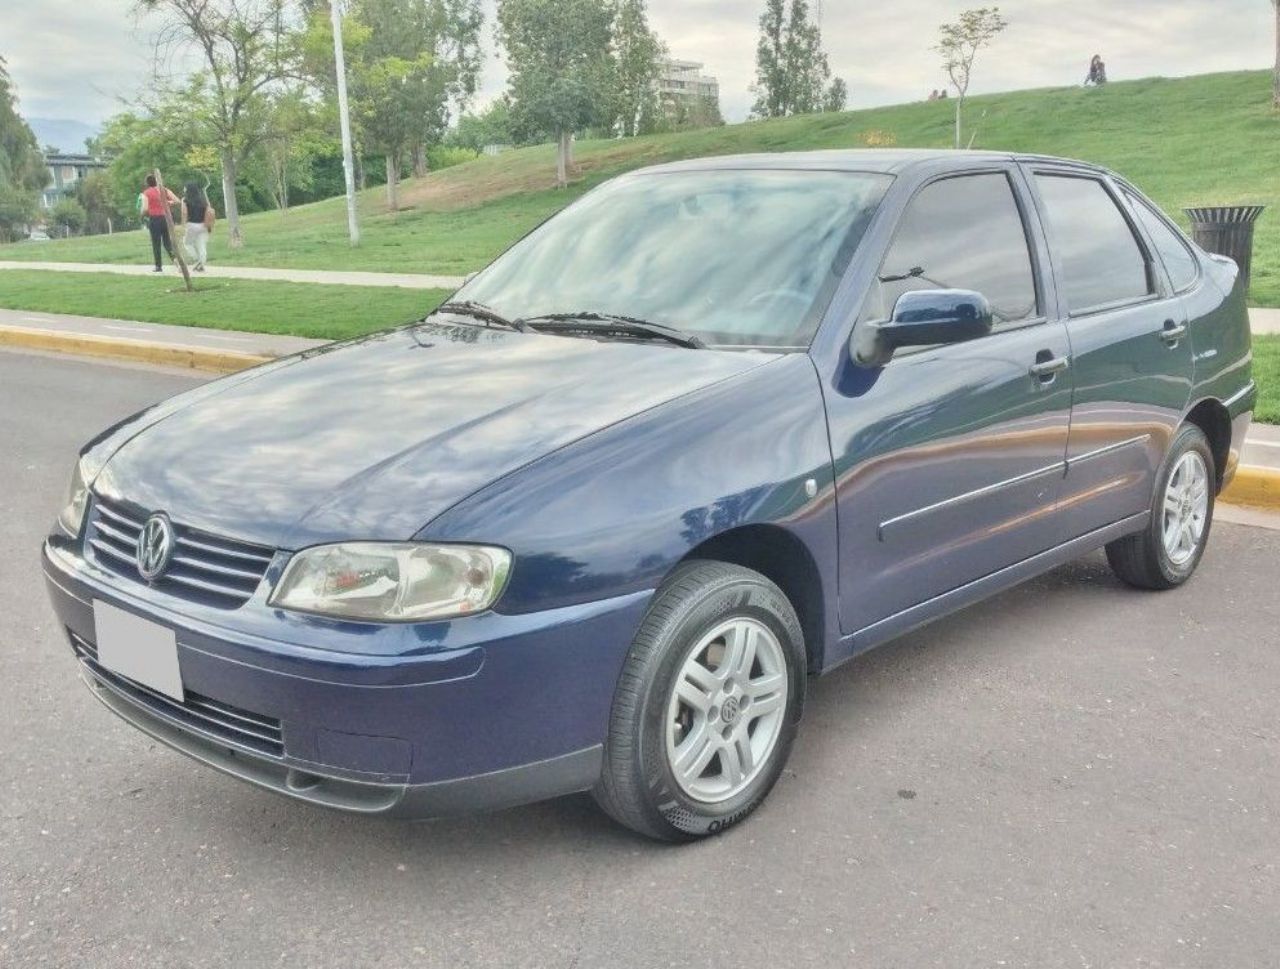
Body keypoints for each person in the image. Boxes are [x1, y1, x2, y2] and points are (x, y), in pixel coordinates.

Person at [141, 174, 180, 272]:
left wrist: (143, 214)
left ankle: (158, 266)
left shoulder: (146, 193)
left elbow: (145, 208)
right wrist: (168, 203)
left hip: (155, 219)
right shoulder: (164, 190)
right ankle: (175, 260)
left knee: (156, 243)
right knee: (167, 241)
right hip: (166, 218)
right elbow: (177, 200)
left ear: (148, 183)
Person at [180, 182, 216, 272]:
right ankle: (201, 265)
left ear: (188, 190)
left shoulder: (185, 200)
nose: (184, 190)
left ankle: (197, 260)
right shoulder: (203, 200)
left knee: (187, 243)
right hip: (203, 225)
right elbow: (209, 212)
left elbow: (184, 213)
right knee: (201, 245)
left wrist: (183, 225)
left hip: (191, 225)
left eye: (185, 188)